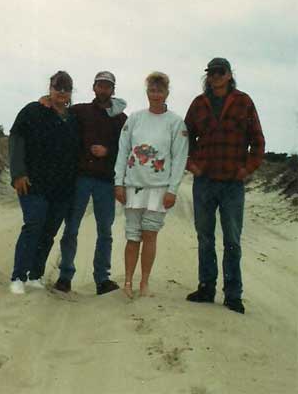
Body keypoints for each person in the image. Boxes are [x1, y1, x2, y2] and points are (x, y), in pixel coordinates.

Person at [184, 58, 265, 313]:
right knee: (205, 237)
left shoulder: (244, 101)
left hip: (232, 183)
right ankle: (206, 287)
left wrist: (247, 169)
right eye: (212, 73)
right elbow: (185, 138)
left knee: (232, 240)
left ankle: (233, 294)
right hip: (204, 181)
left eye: (221, 72)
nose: (216, 76)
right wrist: (191, 164)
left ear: (230, 75)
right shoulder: (198, 104)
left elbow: (258, 141)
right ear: (208, 76)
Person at [43, 71, 127, 295]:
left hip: (106, 181)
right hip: (80, 178)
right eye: (100, 85)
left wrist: (108, 151)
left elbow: (127, 148)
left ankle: (102, 279)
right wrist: (45, 100)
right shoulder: (80, 111)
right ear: (93, 87)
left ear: (113, 89)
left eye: (107, 86)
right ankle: (65, 276)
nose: (103, 89)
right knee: (71, 228)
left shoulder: (121, 118)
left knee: (105, 231)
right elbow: (58, 111)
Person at [115, 72, 188, 298]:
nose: (155, 95)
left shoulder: (176, 123)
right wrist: (119, 182)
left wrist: (172, 189)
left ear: (167, 93)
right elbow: (122, 152)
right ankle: (127, 282)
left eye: (159, 91)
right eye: (151, 90)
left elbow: (180, 158)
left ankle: (144, 283)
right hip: (133, 186)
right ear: (147, 92)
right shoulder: (134, 119)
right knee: (132, 236)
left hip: (159, 189)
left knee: (150, 235)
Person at [9, 71, 79, 294]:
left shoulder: (73, 119)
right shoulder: (33, 110)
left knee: (49, 231)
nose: (61, 91)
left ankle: (35, 275)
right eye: (57, 87)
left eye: (66, 88)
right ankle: (18, 277)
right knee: (33, 225)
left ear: (70, 92)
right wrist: (18, 173)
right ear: (50, 88)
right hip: (32, 183)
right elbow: (16, 138)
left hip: (62, 188)